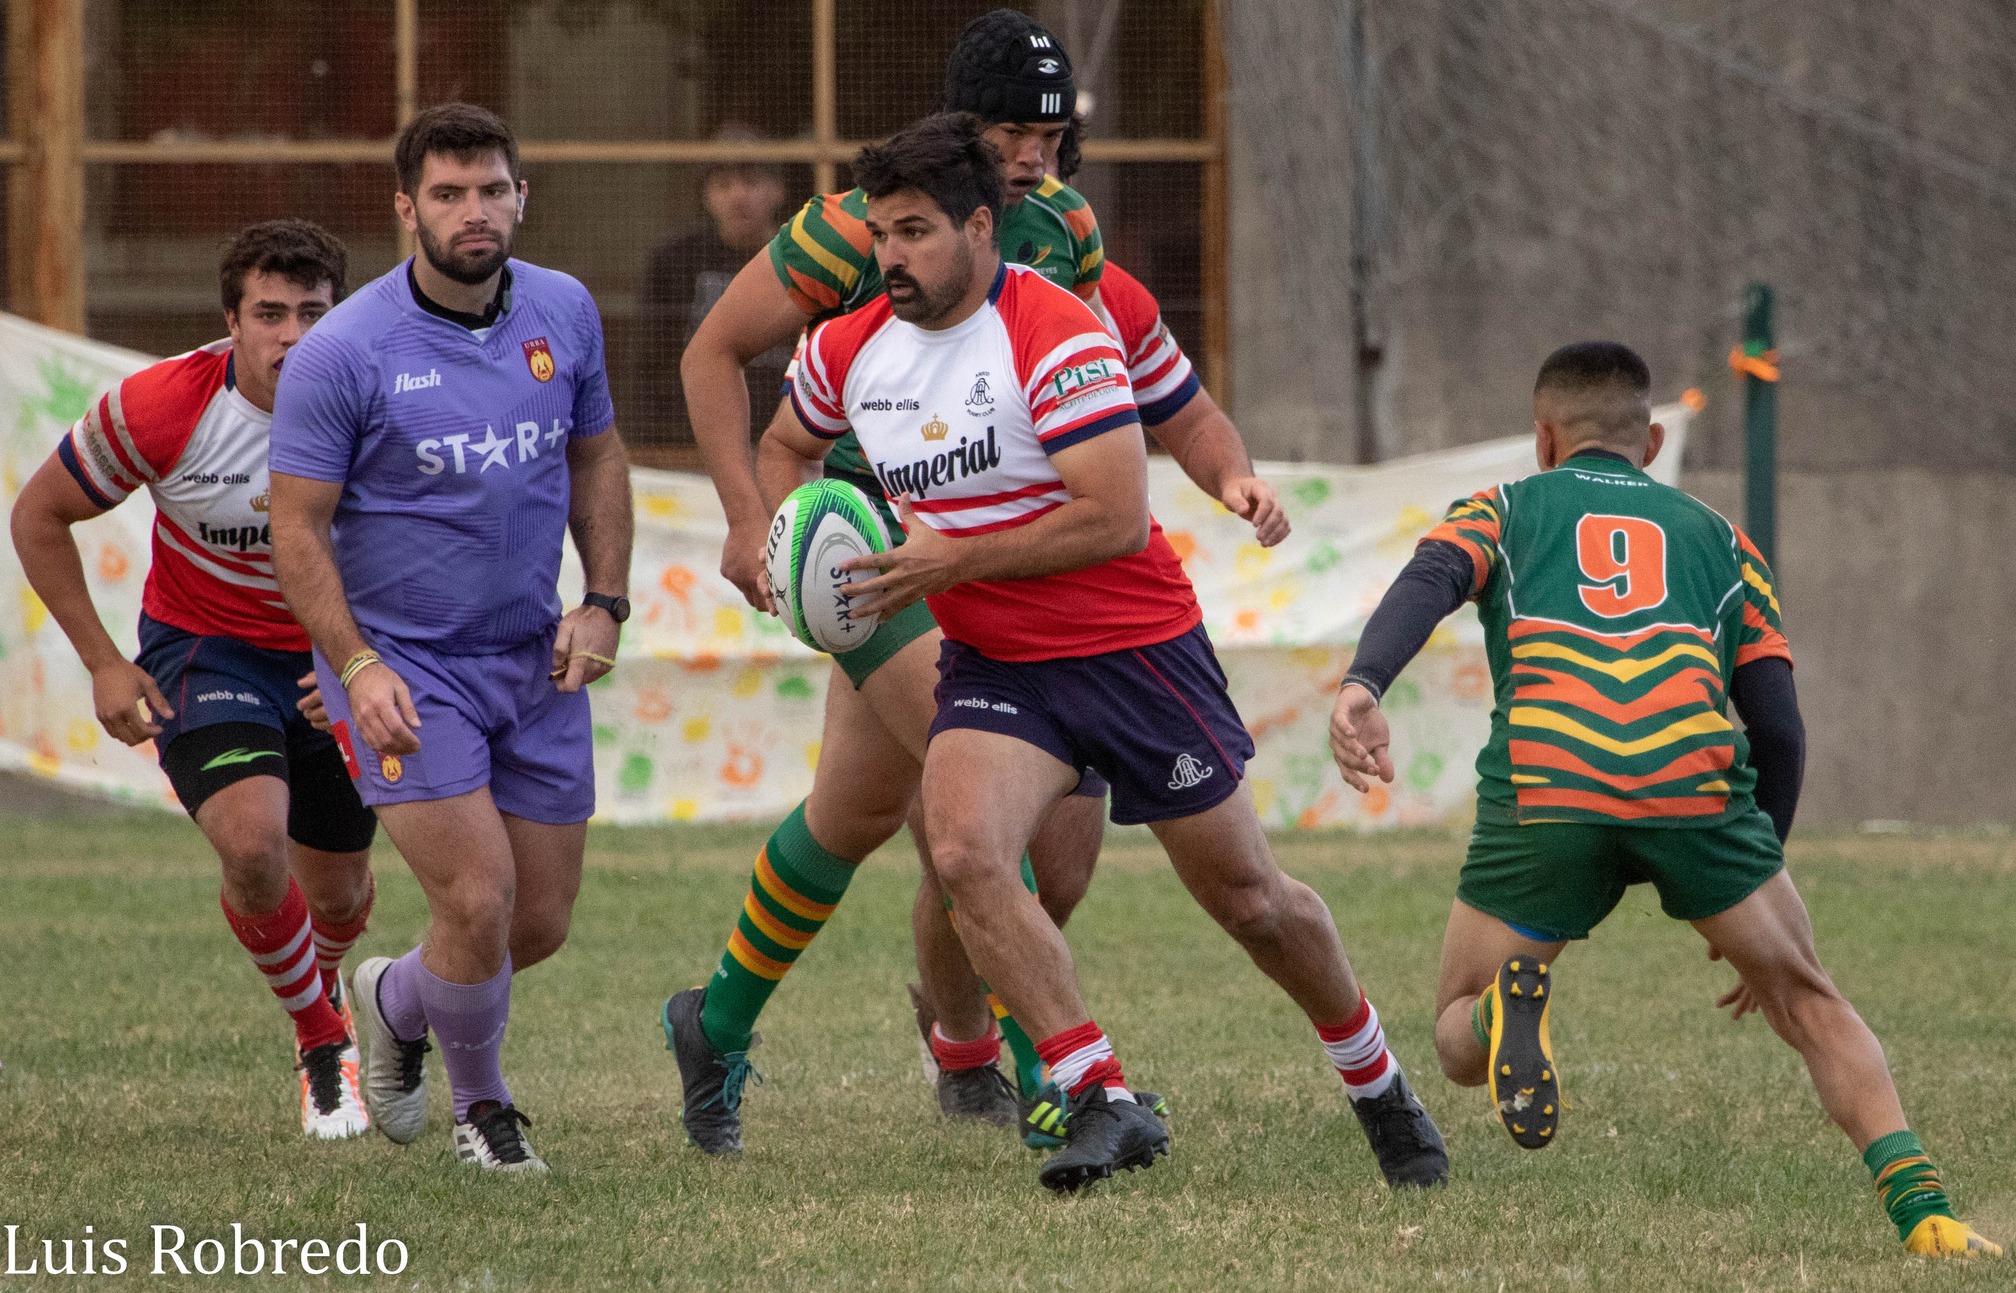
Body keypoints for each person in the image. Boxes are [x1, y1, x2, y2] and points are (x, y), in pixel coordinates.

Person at [702, 113, 1447, 1193]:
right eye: (878, 235)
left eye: (914, 232)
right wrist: (792, 537)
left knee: (1251, 903)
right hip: (997, 666)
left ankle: (1376, 1081)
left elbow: (1111, 516)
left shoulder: (1055, 332)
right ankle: (1096, 1094)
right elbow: (783, 441)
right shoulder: (850, 347)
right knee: (964, 856)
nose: (890, 258)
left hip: (1130, 651)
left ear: (975, 225)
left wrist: (945, 562)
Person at [1327, 341, 2002, 1257]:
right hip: (1694, 788)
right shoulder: (1724, 540)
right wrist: (1759, 874)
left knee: (1454, 1031)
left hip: (1550, 783)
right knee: (1809, 1001)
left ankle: (1501, 1012)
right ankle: (1927, 1216)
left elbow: (1430, 578)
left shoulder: (1504, 507)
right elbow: (1780, 727)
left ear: (1542, 439)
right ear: (1649, 440)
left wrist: (1366, 682)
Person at [268, 103, 634, 1174]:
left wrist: (602, 599)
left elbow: (597, 459)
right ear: (405, 210)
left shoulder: (563, 311)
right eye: (446, 194)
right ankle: (487, 1111)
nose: (472, 212)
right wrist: (355, 665)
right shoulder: (343, 352)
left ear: (521, 196)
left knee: (535, 925)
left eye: (490, 190)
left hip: (533, 652)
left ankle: (392, 994)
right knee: (476, 898)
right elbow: (296, 528)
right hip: (402, 666)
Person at [10, 220, 378, 1141]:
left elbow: (429, 550)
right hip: (205, 649)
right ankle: (322, 1042)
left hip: (337, 657)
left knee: (342, 897)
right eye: (269, 314)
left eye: (312, 313)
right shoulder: (162, 404)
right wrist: (103, 660)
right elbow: (39, 515)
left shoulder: (386, 403)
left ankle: (318, 980)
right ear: (231, 320)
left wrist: (358, 663)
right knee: (254, 848)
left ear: (342, 318)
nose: (292, 336)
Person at [638, 125, 794, 442]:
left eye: (751, 182)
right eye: (723, 185)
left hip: (789, 436)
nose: (739, 195)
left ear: (778, 190)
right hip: (692, 437)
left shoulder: (804, 254)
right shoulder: (675, 259)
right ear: (706, 196)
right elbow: (650, 362)